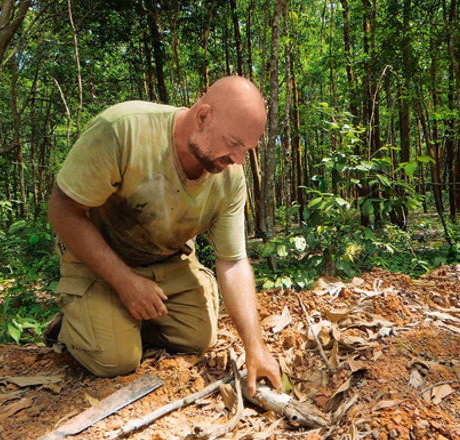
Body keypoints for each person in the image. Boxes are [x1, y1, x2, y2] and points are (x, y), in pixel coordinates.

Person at [44, 76, 282, 396]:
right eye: (233, 143)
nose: (237, 161)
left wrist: (255, 347)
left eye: (246, 150)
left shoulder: (230, 177)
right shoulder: (124, 129)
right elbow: (62, 210)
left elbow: (233, 261)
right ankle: (72, 324)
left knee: (199, 337)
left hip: (168, 263)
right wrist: (125, 283)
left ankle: (121, 320)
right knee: (116, 360)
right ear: (203, 116)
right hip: (101, 260)